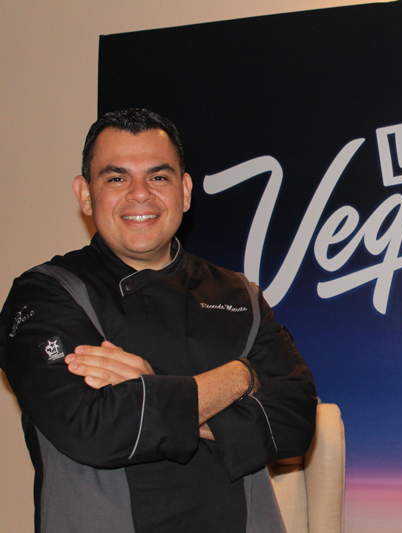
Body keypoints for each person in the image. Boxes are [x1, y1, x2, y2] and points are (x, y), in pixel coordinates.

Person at [0, 109, 317, 533]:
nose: (140, 194)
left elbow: (296, 423)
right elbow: (94, 428)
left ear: (184, 192)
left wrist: (148, 391)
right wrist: (242, 376)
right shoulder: (46, 293)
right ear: (85, 195)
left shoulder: (240, 295)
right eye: (116, 178)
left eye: (159, 177)